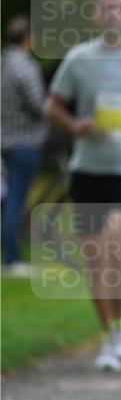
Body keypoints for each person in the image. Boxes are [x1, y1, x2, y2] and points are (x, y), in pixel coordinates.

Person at [44, 0, 121, 369]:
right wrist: (73, 124)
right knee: (96, 258)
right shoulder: (80, 58)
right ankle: (110, 335)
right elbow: (52, 106)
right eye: (106, 8)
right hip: (89, 168)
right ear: (96, 16)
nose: (114, 14)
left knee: (120, 245)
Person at [1, 16, 47, 276]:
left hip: (3, 141)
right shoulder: (24, 67)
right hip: (24, 142)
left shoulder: (3, 63)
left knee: (7, 199)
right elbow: (39, 105)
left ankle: (9, 253)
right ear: (28, 38)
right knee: (16, 201)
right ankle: (12, 259)